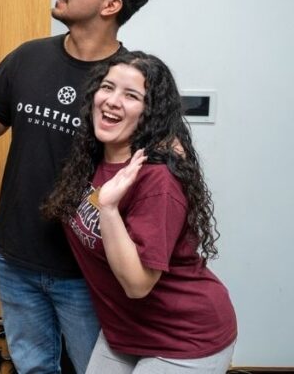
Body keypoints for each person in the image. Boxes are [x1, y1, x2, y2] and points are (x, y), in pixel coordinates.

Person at [0, 0, 156, 372]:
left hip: (87, 267)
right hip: (16, 253)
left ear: (111, 4)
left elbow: (151, 171)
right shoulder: (30, 56)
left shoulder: (131, 82)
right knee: (34, 366)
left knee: (96, 368)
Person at [43, 51, 237, 372]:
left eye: (131, 95)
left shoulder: (157, 178)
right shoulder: (91, 158)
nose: (112, 101)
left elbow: (137, 284)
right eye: (107, 87)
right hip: (125, 333)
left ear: (150, 112)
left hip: (185, 339)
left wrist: (107, 207)